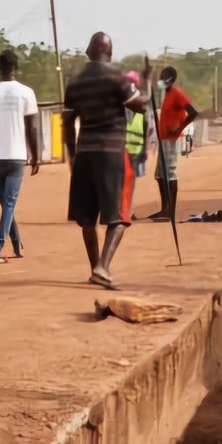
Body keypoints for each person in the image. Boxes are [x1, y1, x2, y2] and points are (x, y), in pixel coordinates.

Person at [63, 32, 141, 287]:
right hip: (111, 154)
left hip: (84, 154)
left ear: (88, 51)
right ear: (109, 51)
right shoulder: (117, 78)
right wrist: (148, 86)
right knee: (119, 217)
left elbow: (67, 121)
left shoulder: (74, 84)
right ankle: (103, 268)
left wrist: (72, 156)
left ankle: (95, 267)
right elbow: (140, 105)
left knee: (87, 218)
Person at [0, 48, 40, 261]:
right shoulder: (26, 93)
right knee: (9, 203)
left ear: (0, 68)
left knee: (7, 203)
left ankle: (16, 245)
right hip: (16, 156)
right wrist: (37, 156)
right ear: (16, 68)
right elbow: (32, 127)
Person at [152, 65, 199, 224]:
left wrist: (179, 128)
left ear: (169, 79)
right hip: (163, 140)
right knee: (159, 175)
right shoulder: (167, 94)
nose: (159, 79)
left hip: (172, 141)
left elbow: (193, 112)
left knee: (169, 174)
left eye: (162, 77)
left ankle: (169, 210)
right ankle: (165, 208)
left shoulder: (177, 94)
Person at [122, 70, 147, 222]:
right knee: (126, 183)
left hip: (133, 149)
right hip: (126, 149)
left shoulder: (139, 107)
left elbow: (145, 128)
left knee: (126, 183)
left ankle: (124, 211)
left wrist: (144, 150)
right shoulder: (124, 104)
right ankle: (123, 211)